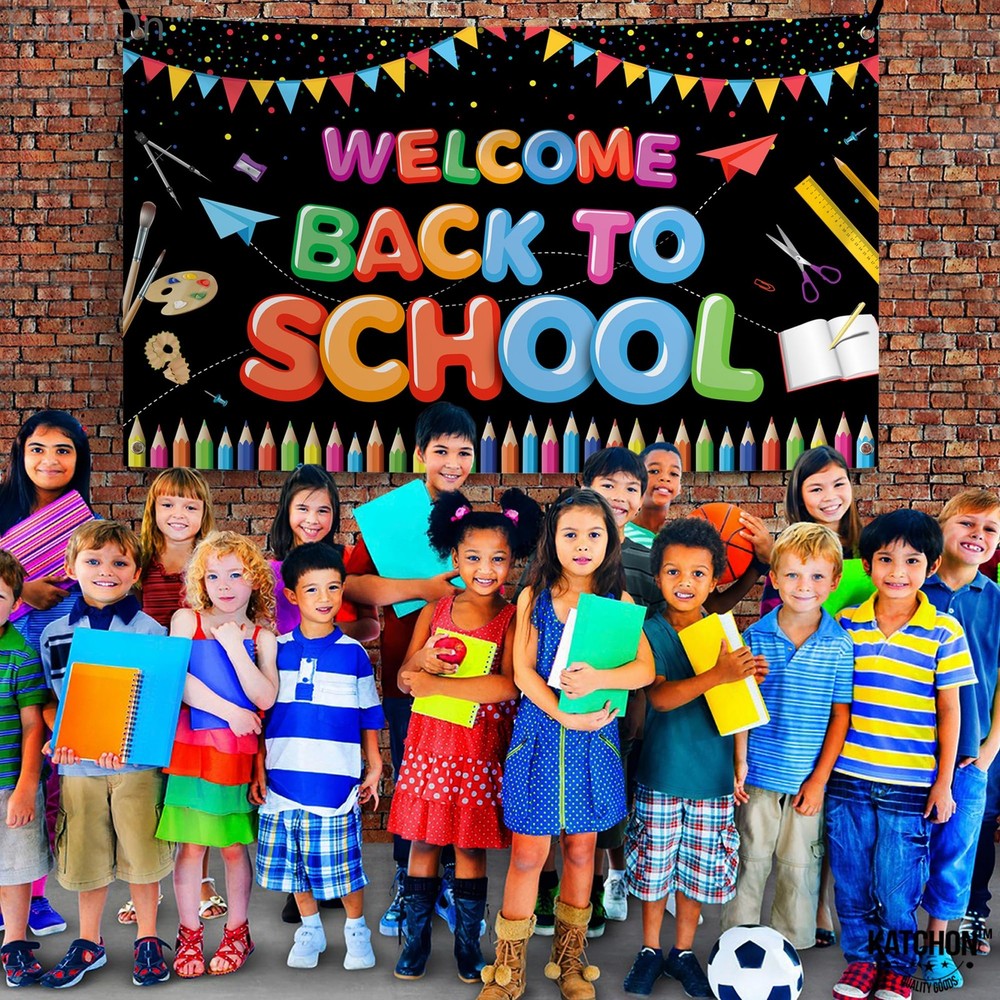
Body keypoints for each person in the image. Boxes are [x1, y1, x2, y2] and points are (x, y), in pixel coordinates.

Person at [477, 488, 654, 1000]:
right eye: (570, 534)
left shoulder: (618, 606)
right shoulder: (534, 598)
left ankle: (570, 961)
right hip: (540, 738)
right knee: (528, 855)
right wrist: (559, 713)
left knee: (581, 851)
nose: (582, 544)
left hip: (593, 746)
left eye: (594, 534)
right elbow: (522, 672)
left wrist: (600, 678)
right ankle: (508, 969)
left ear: (610, 541)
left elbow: (644, 669)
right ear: (552, 540)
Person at [389, 488, 541, 983]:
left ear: (513, 561)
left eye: (498, 558)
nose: (485, 568)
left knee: (470, 848)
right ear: (454, 558)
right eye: (473, 557)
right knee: (424, 843)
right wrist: (421, 663)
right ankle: (415, 943)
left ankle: (468, 945)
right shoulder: (435, 610)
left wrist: (436, 684)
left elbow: (509, 685)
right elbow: (404, 678)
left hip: (478, 751)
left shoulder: (512, 617)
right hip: (429, 748)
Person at [828, 510, 976, 1000]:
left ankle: (897, 965)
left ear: (931, 567)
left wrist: (943, 784)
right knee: (851, 882)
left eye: (912, 561)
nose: (897, 571)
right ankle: (860, 962)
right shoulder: (847, 625)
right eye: (885, 559)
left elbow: (950, 711)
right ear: (868, 565)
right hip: (848, 778)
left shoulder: (944, 631)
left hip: (910, 785)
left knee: (897, 887)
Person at [343, 401, 476, 936]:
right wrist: (422, 588)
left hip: (466, 677)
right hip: (405, 673)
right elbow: (351, 585)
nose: (452, 462)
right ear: (420, 453)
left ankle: (449, 879)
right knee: (412, 780)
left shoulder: (473, 519)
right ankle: (407, 877)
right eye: (441, 451)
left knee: (455, 779)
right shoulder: (390, 518)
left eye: (464, 452)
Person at [621, 519, 767, 999]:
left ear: (715, 578)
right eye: (673, 572)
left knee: (698, 873)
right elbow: (660, 698)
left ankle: (682, 952)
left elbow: (739, 706)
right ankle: (649, 949)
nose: (685, 582)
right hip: (662, 772)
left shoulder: (722, 632)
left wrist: (746, 681)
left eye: (698, 574)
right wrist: (720, 675)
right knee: (653, 869)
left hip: (714, 775)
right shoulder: (649, 629)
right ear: (657, 576)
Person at [38, 521, 173, 988]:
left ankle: (148, 937)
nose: (106, 571)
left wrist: (135, 745)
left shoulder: (151, 631)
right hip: (78, 766)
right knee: (87, 854)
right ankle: (88, 942)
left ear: (136, 573)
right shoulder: (53, 633)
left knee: (142, 852)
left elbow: (158, 702)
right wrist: (58, 734)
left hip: (135, 766)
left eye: (119, 562)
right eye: (93, 561)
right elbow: (52, 701)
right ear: (70, 567)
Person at [250, 543, 384, 971]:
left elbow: (368, 713)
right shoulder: (274, 650)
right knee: (296, 868)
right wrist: (257, 768)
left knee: (343, 867)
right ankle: (310, 929)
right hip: (282, 780)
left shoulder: (353, 653)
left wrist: (375, 764)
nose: (324, 598)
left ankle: (356, 931)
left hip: (336, 781)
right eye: (312, 589)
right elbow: (260, 716)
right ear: (292, 595)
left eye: (333, 588)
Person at [720, 523, 853, 951]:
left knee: (800, 866)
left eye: (816, 576)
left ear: (834, 581)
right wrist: (739, 762)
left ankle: (790, 945)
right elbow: (741, 706)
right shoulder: (755, 637)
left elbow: (840, 717)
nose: (804, 585)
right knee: (750, 859)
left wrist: (820, 780)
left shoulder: (840, 645)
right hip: (758, 774)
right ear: (774, 578)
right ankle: (736, 941)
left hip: (806, 780)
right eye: (793, 574)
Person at [760, 444, 871, 947]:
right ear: (798, 495)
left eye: (838, 483)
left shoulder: (870, 554)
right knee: (791, 826)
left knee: (827, 815)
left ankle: (821, 903)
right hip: (799, 707)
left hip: (855, 697)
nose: (830, 495)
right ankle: (805, 911)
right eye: (816, 487)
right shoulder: (789, 556)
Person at [156, 531, 278, 978]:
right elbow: (178, 679)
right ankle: (189, 934)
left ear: (255, 579)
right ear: (200, 581)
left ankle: (237, 932)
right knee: (189, 846)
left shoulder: (263, 637)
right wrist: (230, 711)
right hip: (190, 750)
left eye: (235, 574)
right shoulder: (186, 620)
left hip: (233, 753)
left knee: (230, 846)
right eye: (213, 576)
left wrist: (233, 648)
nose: (224, 585)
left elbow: (265, 697)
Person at [266, 464, 379, 924]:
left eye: (324, 509)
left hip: (335, 690)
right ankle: (301, 892)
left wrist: (327, 639)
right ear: (286, 510)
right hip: (285, 688)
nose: (313, 518)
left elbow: (371, 625)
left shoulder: (346, 564)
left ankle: (334, 888)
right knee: (292, 784)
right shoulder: (269, 571)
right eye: (303, 508)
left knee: (330, 790)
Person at [0, 411, 94, 938]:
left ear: (79, 459)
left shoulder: (85, 522)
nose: (50, 460)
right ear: (21, 452)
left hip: (58, 658)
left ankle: (33, 894)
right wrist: (25, 590)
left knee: (44, 774)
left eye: (63, 450)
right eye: (38, 448)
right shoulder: (1, 509)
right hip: (7, 658)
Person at [124, 468, 225, 926]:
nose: (178, 513)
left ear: (204, 512)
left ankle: (200, 879)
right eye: (167, 504)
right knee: (148, 789)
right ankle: (147, 883)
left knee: (192, 788)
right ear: (153, 509)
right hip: (150, 689)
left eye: (189, 505)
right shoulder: (138, 561)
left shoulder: (213, 561)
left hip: (202, 688)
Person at [918, 489, 1000, 985]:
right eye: (967, 523)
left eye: (990, 529)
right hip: (910, 747)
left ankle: (940, 940)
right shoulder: (910, 587)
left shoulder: (996, 600)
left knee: (957, 851)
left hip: (973, 752)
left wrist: (989, 750)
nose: (978, 535)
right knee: (903, 846)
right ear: (941, 526)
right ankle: (892, 939)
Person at [0, 550, 51, 986]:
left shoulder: (20, 654)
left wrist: (25, 786)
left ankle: (14, 943)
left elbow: (33, 725)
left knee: (13, 870)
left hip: (8, 785)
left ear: (16, 603)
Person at [624, 443, 683, 548]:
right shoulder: (619, 533)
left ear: (680, 487)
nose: (665, 478)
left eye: (674, 474)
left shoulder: (679, 541)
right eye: (654, 471)